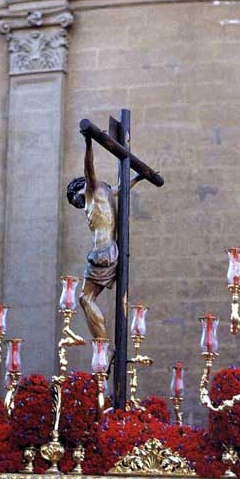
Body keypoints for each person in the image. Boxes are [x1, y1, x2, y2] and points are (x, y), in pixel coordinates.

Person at [67, 134, 141, 340]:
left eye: (75, 200)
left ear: (79, 188)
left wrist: (88, 141)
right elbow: (122, 187)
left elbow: (88, 166)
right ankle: (103, 345)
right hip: (109, 251)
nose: (78, 205)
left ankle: (102, 346)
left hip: (102, 252)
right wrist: (138, 177)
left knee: (85, 298)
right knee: (87, 299)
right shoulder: (106, 191)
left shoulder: (91, 188)